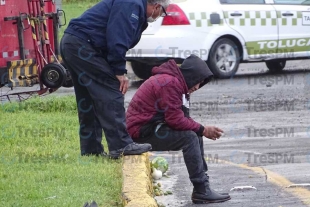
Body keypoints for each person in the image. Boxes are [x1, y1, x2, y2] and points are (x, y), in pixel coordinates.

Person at [59, 0, 170, 158]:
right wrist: (118, 70)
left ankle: (91, 150)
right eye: (162, 13)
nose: (159, 16)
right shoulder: (132, 4)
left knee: (89, 98)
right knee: (112, 88)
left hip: (75, 43)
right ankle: (121, 145)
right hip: (82, 45)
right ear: (157, 6)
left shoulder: (135, 7)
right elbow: (118, 35)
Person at [126, 54, 231, 204]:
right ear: (191, 76)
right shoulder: (170, 83)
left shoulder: (179, 85)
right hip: (140, 133)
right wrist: (203, 129)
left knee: (195, 133)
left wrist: (201, 129)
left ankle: (202, 188)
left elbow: (183, 119)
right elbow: (175, 120)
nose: (197, 87)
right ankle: (201, 189)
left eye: (201, 84)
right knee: (190, 138)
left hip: (151, 127)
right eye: (197, 82)